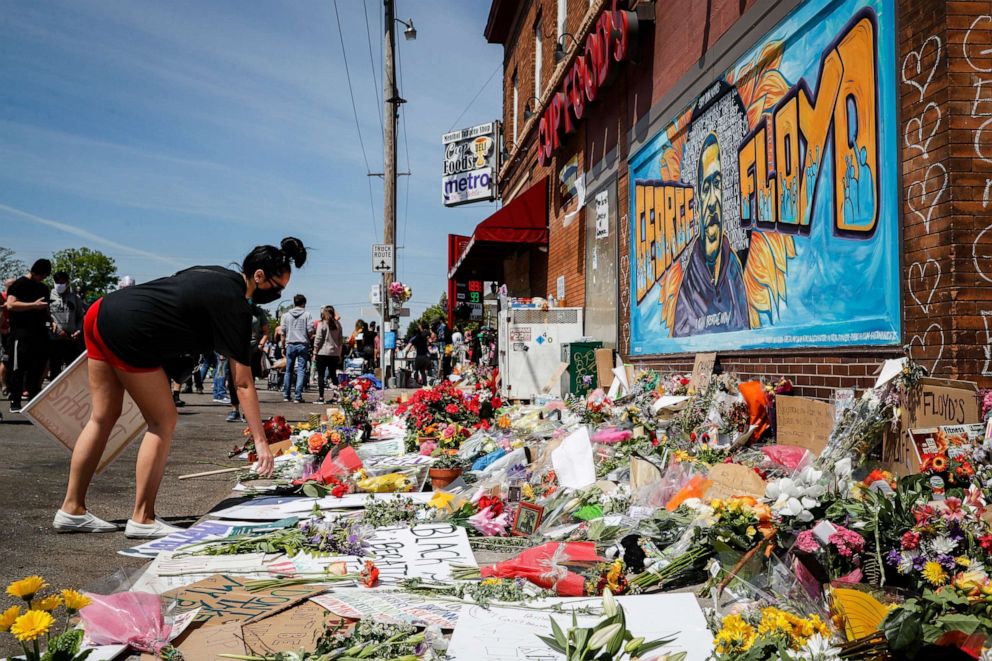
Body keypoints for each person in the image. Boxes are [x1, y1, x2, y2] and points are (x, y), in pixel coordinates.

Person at [54, 237, 306, 538]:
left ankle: (71, 509)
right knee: (163, 420)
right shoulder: (235, 305)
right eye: (276, 288)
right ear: (259, 276)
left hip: (101, 311)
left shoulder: (214, 272)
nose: (277, 295)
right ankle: (142, 518)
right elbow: (242, 382)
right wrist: (261, 442)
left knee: (103, 416)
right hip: (132, 327)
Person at [673, 132, 748, 337]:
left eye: (717, 184)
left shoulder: (733, 270)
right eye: (706, 187)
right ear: (698, 200)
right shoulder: (689, 286)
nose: (713, 200)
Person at [5, 259, 53, 412]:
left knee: (37, 367)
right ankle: (15, 401)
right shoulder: (19, 284)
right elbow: (11, 305)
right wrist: (33, 305)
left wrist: (50, 320)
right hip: (21, 333)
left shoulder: (44, 288)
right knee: (18, 368)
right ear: (35, 272)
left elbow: (45, 309)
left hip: (39, 333)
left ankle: (33, 400)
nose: (42, 279)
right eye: (42, 275)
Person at [226, 306, 269, 422]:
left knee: (249, 381)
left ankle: (247, 411)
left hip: (253, 348)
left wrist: (260, 345)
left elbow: (266, 332)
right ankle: (234, 410)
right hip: (235, 347)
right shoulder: (232, 309)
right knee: (233, 379)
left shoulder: (258, 312)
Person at [48, 272, 87, 381]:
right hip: (54, 339)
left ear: (67, 283)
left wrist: (78, 330)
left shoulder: (75, 298)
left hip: (71, 339)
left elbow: (80, 316)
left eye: (62, 282)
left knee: (71, 369)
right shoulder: (48, 296)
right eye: (57, 282)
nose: (59, 285)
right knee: (55, 368)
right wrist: (53, 326)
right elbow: (45, 316)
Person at [280, 294, 313, 403]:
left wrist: (282, 345)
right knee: (301, 370)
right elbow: (310, 330)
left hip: (290, 344)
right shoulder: (307, 314)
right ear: (304, 303)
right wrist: (308, 338)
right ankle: (298, 396)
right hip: (303, 344)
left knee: (288, 370)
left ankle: (286, 394)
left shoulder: (286, 315)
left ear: (294, 303)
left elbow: (283, 332)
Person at [313, 305, 343, 403]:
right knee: (333, 375)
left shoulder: (322, 324)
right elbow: (340, 341)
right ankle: (335, 397)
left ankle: (321, 397)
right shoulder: (338, 324)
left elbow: (318, 339)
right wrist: (339, 354)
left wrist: (315, 352)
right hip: (334, 353)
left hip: (322, 352)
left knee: (321, 375)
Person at [0, 277, 14, 399]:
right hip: (4, 334)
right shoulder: (2, 297)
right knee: (5, 360)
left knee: (12, 361)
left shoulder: (15, 298)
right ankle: (4, 384)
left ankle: (10, 385)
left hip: (14, 333)